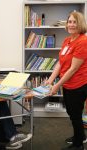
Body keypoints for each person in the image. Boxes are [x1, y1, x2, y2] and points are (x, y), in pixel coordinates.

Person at [45, 11, 87, 150]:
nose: (71, 24)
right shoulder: (67, 41)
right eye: (69, 21)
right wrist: (50, 80)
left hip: (78, 84)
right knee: (72, 113)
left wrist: (56, 85)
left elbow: (73, 69)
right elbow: (60, 63)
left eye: (75, 22)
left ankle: (78, 144)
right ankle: (80, 136)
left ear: (80, 24)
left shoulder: (83, 41)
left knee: (75, 114)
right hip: (67, 84)